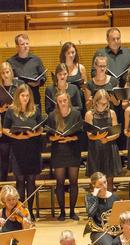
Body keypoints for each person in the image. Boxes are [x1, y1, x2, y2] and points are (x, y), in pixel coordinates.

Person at [2, 84, 44, 212]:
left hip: (32, 149)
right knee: (20, 181)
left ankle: (30, 210)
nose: (25, 98)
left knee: (31, 181)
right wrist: (17, 137)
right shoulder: (11, 110)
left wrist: (34, 133)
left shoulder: (35, 109)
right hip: (17, 149)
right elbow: (5, 129)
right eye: (22, 95)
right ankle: (20, 210)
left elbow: (41, 127)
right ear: (18, 96)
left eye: (27, 96)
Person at [46, 90, 83, 221]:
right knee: (60, 183)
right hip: (58, 152)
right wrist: (54, 138)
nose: (62, 103)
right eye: (60, 101)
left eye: (65, 101)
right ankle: (62, 212)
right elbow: (47, 136)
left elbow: (81, 134)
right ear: (57, 102)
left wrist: (71, 138)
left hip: (72, 151)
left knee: (74, 182)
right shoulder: (52, 116)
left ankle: (72, 211)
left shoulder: (76, 114)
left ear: (69, 101)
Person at [85, 90, 123, 186]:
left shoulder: (112, 113)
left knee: (109, 180)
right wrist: (98, 136)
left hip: (110, 147)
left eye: (106, 103)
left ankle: (109, 200)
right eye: (102, 103)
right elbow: (89, 135)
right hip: (96, 148)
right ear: (96, 102)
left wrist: (107, 139)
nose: (104, 105)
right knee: (96, 180)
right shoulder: (89, 114)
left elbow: (117, 133)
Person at [7, 33, 45, 108]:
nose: (26, 46)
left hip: (34, 99)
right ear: (17, 47)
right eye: (22, 44)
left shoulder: (36, 60)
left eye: (27, 43)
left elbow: (43, 77)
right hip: (18, 101)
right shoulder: (10, 62)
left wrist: (38, 82)